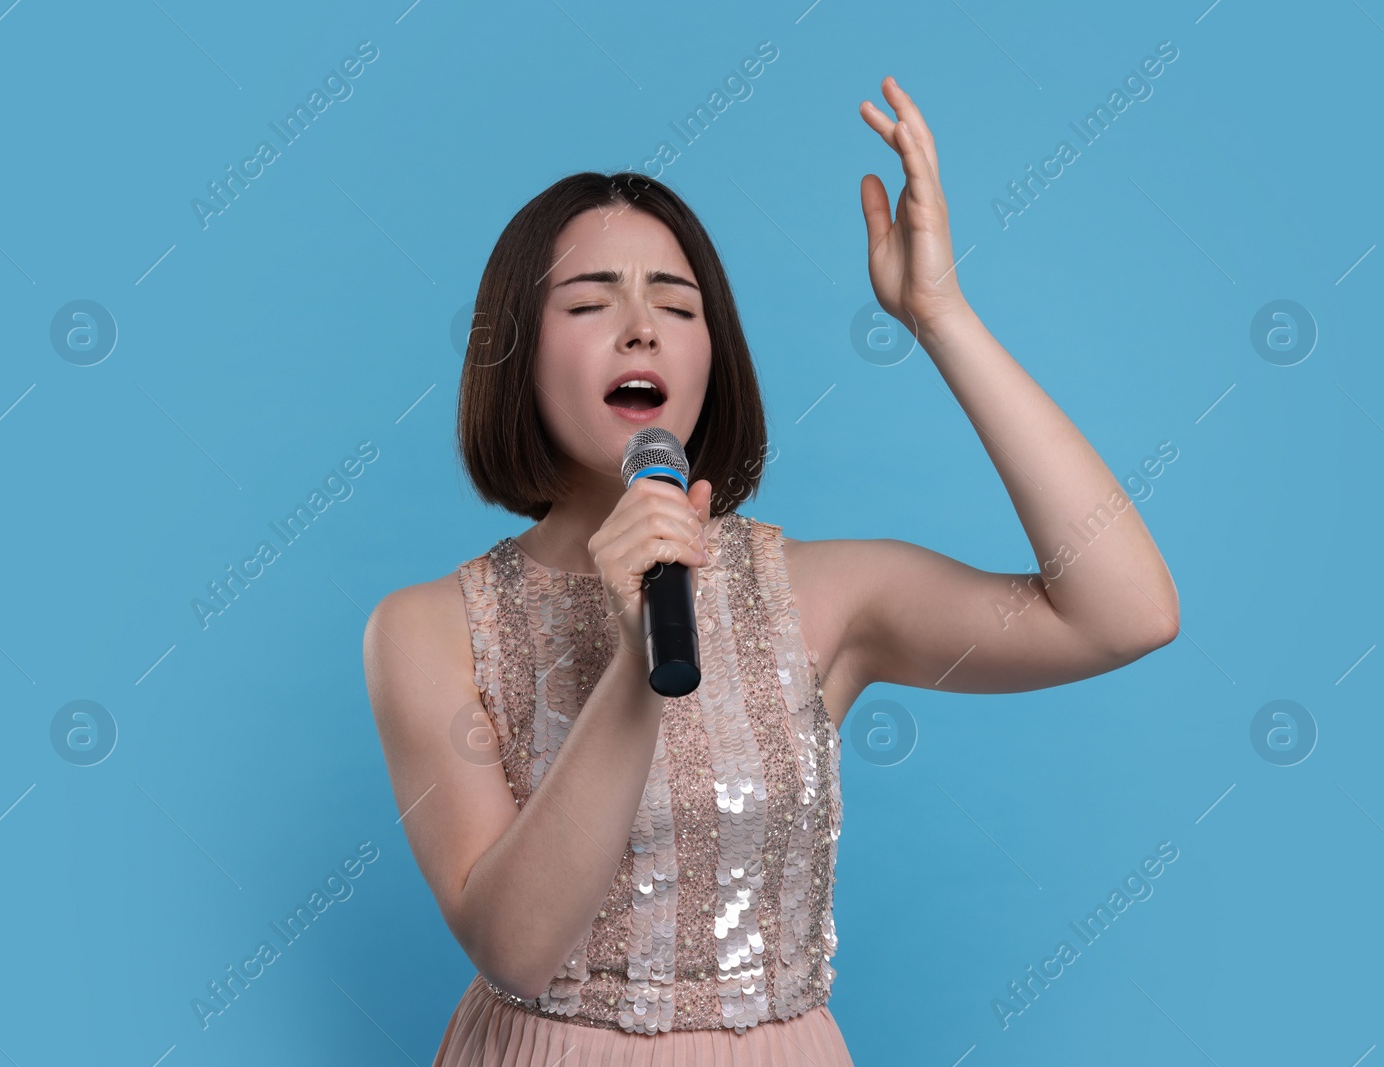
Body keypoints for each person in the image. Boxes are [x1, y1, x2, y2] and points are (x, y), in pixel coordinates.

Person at [363, 75, 1179, 1065]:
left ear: (714, 357)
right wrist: (633, 661)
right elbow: (518, 948)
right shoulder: (423, 628)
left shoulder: (824, 594)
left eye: (677, 302)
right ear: (516, 355)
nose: (642, 328)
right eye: (589, 302)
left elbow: (1124, 611)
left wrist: (938, 311)